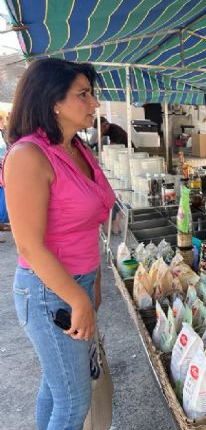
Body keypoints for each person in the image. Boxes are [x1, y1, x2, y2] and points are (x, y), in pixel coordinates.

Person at [4, 58, 115, 429]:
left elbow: (87, 224)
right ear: (53, 101)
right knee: (73, 400)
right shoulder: (27, 156)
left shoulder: (76, 148)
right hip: (48, 291)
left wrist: (92, 282)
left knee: (57, 388)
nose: (94, 103)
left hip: (76, 284)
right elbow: (29, 247)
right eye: (83, 95)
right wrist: (78, 298)